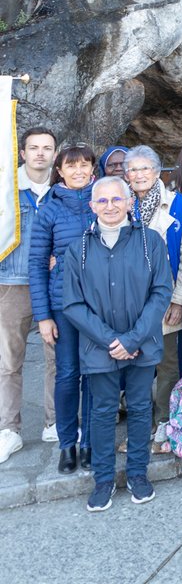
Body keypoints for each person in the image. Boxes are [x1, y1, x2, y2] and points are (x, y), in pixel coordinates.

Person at [60, 176, 172, 511]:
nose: (110, 207)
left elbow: (161, 291)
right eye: (103, 201)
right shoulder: (77, 248)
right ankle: (104, 479)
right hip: (99, 347)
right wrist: (112, 341)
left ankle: (138, 472)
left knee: (140, 409)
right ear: (92, 206)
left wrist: (134, 338)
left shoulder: (149, 242)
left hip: (142, 343)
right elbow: (73, 304)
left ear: (129, 203)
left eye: (116, 200)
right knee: (102, 411)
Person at [124, 145, 182, 452]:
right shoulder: (120, 203)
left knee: (167, 365)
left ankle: (165, 421)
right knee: (136, 366)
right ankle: (142, 424)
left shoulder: (180, 205)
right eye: (133, 169)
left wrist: (180, 300)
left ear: (157, 172)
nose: (139, 175)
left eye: (145, 169)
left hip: (166, 300)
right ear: (126, 175)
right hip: (128, 303)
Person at [29, 143, 97, 474]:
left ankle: (90, 443)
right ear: (60, 171)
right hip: (63, 305)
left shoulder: (104, 202)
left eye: (85, 165)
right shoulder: (49, 210)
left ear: (93, 169)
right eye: (72, 166)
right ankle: (68, 443)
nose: (79, 170)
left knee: (95, 374)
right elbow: (37, 263)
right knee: (68, 374)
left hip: (100, 305)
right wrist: (43, 316)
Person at [0, 126, 57, 465]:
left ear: (54, 153)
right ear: (22, 153)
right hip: (12, 280)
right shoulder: (7, 190)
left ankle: (55, 422)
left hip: (52, 284)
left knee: (57, 358)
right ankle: (9, 429)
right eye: (33, 147)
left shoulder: (60, 190)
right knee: (8, 361)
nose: (40, 153)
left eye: (46, 148)